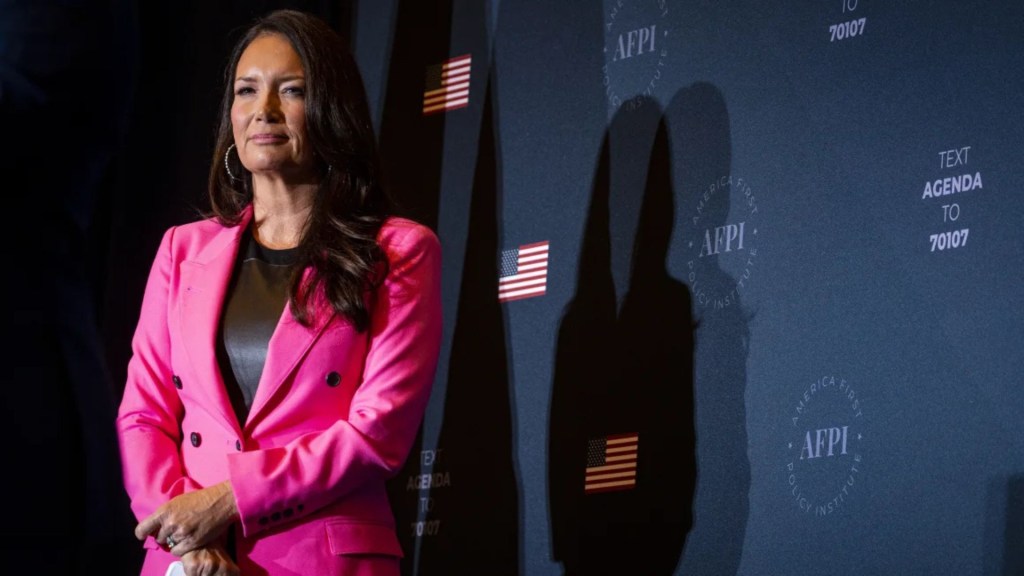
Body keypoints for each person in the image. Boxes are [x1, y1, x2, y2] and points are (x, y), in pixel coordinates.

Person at [115, 9, 442, 576]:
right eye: (247, 90)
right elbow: (143, 416)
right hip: (189, 563)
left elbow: (376, 434)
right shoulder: (182, 250)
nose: (262, 110)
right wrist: (184, 535)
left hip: (318, 558)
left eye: (290, 90)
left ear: (329, 113)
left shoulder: (398, 252)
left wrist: (229, 500)